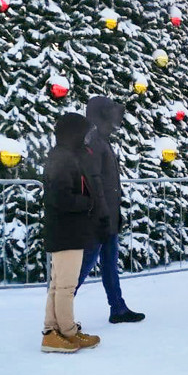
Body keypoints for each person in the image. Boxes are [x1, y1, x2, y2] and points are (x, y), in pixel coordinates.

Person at [77, 96, 145, 324]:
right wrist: (103, 214)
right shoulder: (94, 141)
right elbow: (95, 181)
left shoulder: (101, 139)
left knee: (108, 263)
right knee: (85, 265)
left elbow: (106, 182)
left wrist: (114, 213)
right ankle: (59, 311)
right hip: (99, 217)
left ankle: (118, 308)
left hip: (107, 215)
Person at [41, 113, 102, 353]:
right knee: (65, 286)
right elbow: (60, 197)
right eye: (84, 134)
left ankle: (51, 332)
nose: (87, 139)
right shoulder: (63, 159)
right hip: (67, 231)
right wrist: (88, 202)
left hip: (65, 230)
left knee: (58, 285)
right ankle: (67, 332)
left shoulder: (63, 156)